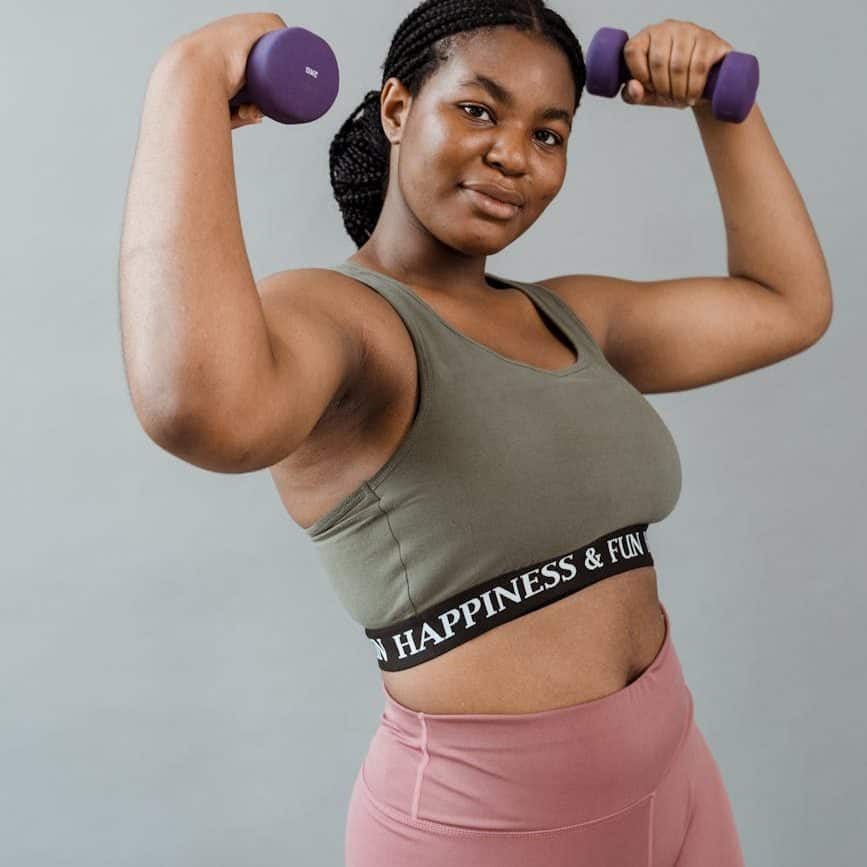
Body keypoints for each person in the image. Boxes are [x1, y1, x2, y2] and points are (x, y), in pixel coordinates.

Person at [118, 2, 833, 864]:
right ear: (395, 110)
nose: (511, 154)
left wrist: (722, 107)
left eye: (549, 133)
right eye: (478, 109)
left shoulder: (570, 314)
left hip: (676, 773)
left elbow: (785, 305)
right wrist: (187, 83)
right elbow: (196, 407)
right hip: (487, 824)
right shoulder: (343, 319)